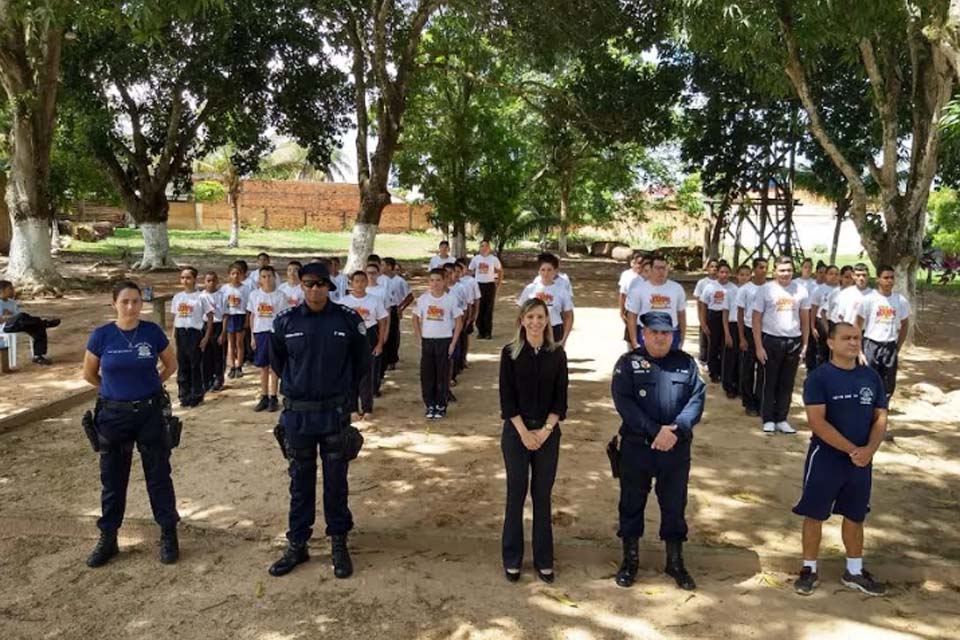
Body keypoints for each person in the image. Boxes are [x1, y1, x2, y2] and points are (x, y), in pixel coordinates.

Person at [267, 263, 370, 579]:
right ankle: (298, 543)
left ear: (329, 287)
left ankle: (338, 541)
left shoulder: (348, 320)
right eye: (309, 284)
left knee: (336, 481)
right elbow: (277, 362)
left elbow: (362, 362)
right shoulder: (285, 321)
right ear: (301, 285)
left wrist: (339, 391)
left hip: (333, 414)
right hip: (298, 415)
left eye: (321, 285)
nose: (315, 290)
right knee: (300, 481)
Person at [82, 280, 180, 567]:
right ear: (114, 303)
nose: (131, 306)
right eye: (125, 301)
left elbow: (170, 365)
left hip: (150, 414)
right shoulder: (101, 336)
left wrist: (152, 385)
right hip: (113, 417)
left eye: (136, 301)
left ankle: (168, 534)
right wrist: (113, 392)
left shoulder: (151, 332)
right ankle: (109, 538)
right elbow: (89, 374)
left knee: (159, 476)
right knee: (112, 479)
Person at [792, 322, 888, 597]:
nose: (853, 343)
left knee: (856, 515)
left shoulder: (871, 377)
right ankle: (809, 569)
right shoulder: (819, 377)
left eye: (857, 338)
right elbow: (816, 422)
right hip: (827, 458)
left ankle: (854, 571)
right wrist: (852, 450)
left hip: (861, 460)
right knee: (814, 513)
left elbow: (880, 416)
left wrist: (869, 449)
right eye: (846, 338)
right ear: (831, 343)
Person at [611, 311, 706, 591]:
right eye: (654, 332)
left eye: (666, 333)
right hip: (637, 447)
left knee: (675, 504)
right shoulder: (628, 363)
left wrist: (675, 430)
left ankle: (675, 561)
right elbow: (624, 402)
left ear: (673, 335)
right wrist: (656, 431)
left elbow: (696, 400)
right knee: (631, 503)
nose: (661, 337)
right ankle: (630, 561)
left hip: (675, 448)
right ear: (643, 334)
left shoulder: (686, 363)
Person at [499, 298, 568, 583]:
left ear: (547, 321)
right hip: (517, 434)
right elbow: (507, 399)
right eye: (530, 317)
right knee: (516, 495)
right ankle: (512, 558)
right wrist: (525, 433)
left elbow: (561, 400)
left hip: (547, 434)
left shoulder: (557, 354)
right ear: (522, 320)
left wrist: (545, 431)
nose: (535, 323)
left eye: (540, 317)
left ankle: (543, 559)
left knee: (542, 497)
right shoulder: (510, 353)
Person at [752, 256, 811, 435]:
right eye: (782, 270)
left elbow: (805, 319)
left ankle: (782, 419)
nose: (786, 274)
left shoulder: (801, 290)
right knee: (770, 382)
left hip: (793, 341)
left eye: (789, 270)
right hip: (771, 340)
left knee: (787, 383)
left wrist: (805, 343)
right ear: (774, 271)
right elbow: (756, 319)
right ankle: (768, 418)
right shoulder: (765, 290)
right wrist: (758, 346)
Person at [413, 268, 464, 420]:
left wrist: (453, 343)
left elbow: (459, 322)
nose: (435, 283)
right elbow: (415, 318)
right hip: (428, 341)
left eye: (438, 280)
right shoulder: (423, 299)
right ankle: (430, 404)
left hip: (445, 341)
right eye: (432, 280)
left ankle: (441, 405)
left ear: (444, 281)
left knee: (442, 375)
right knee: (427, 374)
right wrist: (419, 338)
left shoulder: (450, 299)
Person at [856, 265, 910, 404]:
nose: (889, 281)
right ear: (878, 279)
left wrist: (897, 346)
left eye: (892, 278)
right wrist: (859, 351)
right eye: (886, 278)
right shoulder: (868, 299)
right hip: (871, 344)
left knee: (888, 383)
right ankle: (866, 410)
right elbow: (857, 325)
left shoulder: (900, 301)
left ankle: (882, 409)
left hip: (890, 346)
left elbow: (905, 325)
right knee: (868, 380)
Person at [338, 270, 388, 418]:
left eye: (362, 281)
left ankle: (367, 408)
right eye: (356, 281)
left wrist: (380, 343)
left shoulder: (375, 300)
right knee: (351, 374)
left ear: (367, 283)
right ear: (351, 283)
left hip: (369, 335)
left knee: (367, 374)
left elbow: (382, 321)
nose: (360, 284)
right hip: (350, 338)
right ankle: (352, 408)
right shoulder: (343, 302)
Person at [170, 267, 213, 408]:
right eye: (182, 278)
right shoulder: (178, 297)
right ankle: (184, 394)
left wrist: (206, 337)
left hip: (195, 333)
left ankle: (196, 394)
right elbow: (175, 318)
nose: (185, 281)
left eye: (188, 278)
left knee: (195, 365)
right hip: (181, 333)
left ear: (194, 279)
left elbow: (210, 317)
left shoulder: (201, 297)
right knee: (182, 365)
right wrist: (173, 337)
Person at [624, 254, 686, 351]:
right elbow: (632, 316)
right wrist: (634, 342)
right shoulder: (638, 289)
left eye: (664, 268)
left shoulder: (677, 289)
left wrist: (682, 339)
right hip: (647, 333)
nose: (661, 271)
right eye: (657, 268)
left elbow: (681, 314)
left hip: (670, 333)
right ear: (651, 269)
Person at [247, 266, 288, 412]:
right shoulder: (254, 295)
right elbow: (252, 316)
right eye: (263, 276)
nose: (267, 279)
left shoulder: (280, 296)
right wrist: (252, 336)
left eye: (269, 276)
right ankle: (263, 396)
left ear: (274, 277)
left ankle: (273, 396)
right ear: (259, 279)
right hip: (260, 333)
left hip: (274, 333)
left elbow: (283, 317)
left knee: (274, 367)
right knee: (263, 366)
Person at [518, 253, 575, 347]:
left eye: (549, 270)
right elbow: (521, 312)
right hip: (533, 328)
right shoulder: (530, 289)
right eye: (543, 270)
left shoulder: (562, 291)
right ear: (538, 271)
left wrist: (564, 339)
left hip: (554, 329)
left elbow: (569, 316)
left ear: (555, 271)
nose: (546, 273)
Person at [0, 279, 60, 366]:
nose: (13, 290)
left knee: (37, 327)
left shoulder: (12, 303)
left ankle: (38, 356)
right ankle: (44, 323)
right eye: (10, 289)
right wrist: (10, 318)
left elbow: (18, 317)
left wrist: (10, 317)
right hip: (5, 327)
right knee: (22, 316)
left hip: (17, 324)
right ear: (1, 291)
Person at [736, 258, 768, 416]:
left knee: (764, 368)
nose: (764, 270)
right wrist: (741, 337)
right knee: (747, 369)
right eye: (761, 267)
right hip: (749, 330)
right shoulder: (745, 289)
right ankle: (748, 403)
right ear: (754, 270)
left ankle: (760, 400)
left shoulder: (770, 289)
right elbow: (740, 314)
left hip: (766, 331)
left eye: (766, 267)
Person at [698, 261, 736, 385]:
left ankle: (723, 371)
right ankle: (713, 372)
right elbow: (703, 305)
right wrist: (703, 323)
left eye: (726, 272)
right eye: (721, 272)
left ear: (730, 273)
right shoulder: (710, 286)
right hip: (713, 316)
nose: (724, 275)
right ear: (717, 273)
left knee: (725, 346)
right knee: (713, 345)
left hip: (728, 318)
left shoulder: (734, 288)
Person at [720, 264, 751, 399]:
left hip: (747, 326)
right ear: (737, 276)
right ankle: (729, 386)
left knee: (744, 359)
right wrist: (727, 332)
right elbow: (725, 312)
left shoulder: (753, 291)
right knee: (730, 358)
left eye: (747, 275)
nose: (744, 277)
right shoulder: (731, 291)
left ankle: (741, 387)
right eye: (741, 274)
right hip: (733, 326)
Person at [383, 257, 413, 372]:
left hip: (394, 308)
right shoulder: (381, 280)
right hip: (384, 308)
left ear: (389, 267)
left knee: (393, 334)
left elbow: (410, 296)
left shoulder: (399, 281)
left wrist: (401, 308)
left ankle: (392, 359)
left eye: (383, 265)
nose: (381, 267)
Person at [469, 240, 503, 340]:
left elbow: (500, 270)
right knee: (479, 308)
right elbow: (470, 271)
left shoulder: (493, 259)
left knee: (488, 309)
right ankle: (480, 331)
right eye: (482, 246)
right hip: (478, 285)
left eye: (486, 246)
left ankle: (488, 332)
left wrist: (499, 283)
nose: (483, 248)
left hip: (489, 285)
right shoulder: (476, 259)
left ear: (489, 248)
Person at [222, 261, 250, 379]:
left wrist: (247, 320)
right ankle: (232, 366)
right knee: (230, 342)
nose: (235, 276)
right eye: (233, 273)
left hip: (240, 315)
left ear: (242, 275)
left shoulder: (246, 289)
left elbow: (249, 306)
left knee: (239, 343)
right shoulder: (224, 289)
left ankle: (239, 366)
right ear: (229, 275)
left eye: (238, 273)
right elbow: (223, 306)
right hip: (230, 316)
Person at [200, 271, 226, 392]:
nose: (211, 283)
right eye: (208, 281)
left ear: (217, 281)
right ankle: (206, 379)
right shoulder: (200, 296)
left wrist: (223, 332)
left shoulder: (222, 296)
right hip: (204, 326)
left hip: (218, 325)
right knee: (205, 354)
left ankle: (218, 378)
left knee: (218, 353)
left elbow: (226, 315)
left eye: (213, 280)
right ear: (204, 282)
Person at [810, 265, 839, 368]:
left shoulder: (840, 290)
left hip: (834, 322)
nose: (834, 276)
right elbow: (814, 309)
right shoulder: (819, 290)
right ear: (826, 275)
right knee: (822, 351)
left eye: (836, 274)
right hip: (821, 322)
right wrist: (812, 326)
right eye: (831, 274)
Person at [693, 259, 719, 365]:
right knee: (705, 336)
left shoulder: (721, 283)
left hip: (717, 312)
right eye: (711, 266)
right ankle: (703, 359)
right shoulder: (702, 283)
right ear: (707, 268)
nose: (714, 269)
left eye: (716, 267)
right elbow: (699, 302)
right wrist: (701, 319)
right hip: (705, 312)